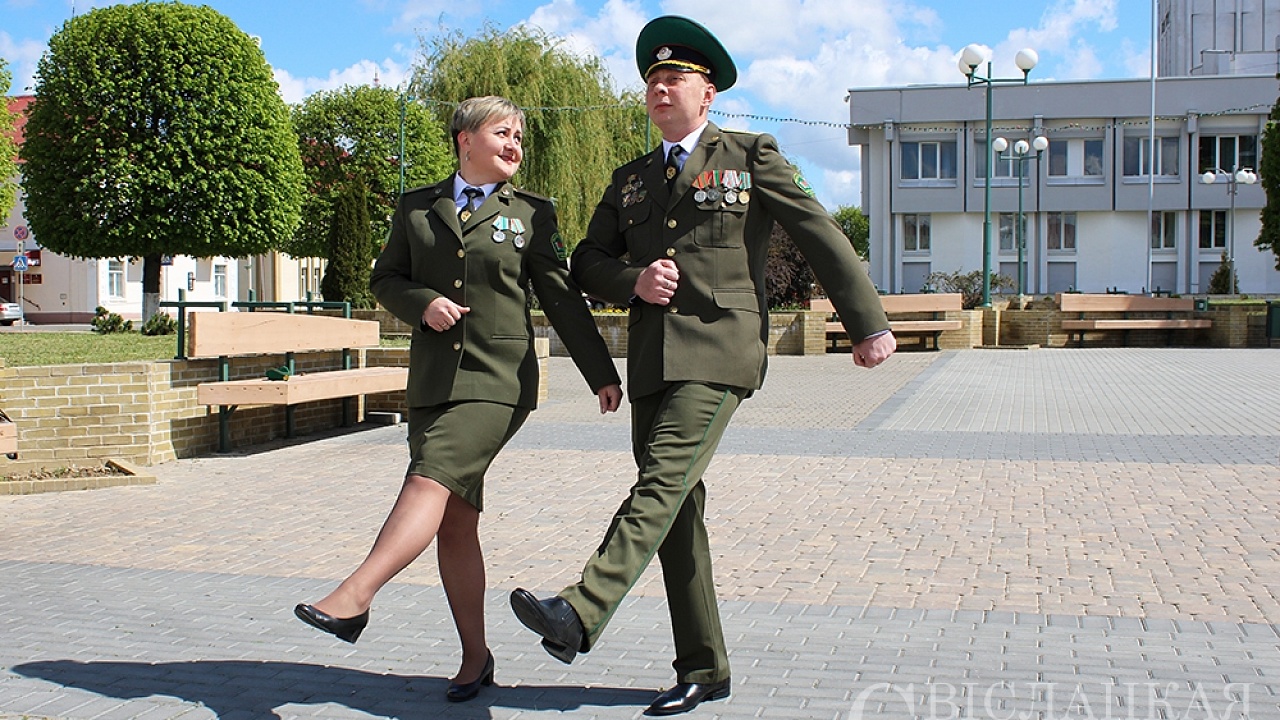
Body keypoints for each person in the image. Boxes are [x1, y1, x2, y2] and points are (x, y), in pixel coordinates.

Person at [508, 16, 897, 717]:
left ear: (707, 91)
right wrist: (632, 283)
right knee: (676, 511)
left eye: (675, 77)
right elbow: (586, 262)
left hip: (721, 349)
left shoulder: (750, 154)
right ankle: (705, 668)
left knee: (659, 485)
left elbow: (816, 230)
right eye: (653, 79)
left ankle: (581, 608)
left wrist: (866, 323)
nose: (661, 88)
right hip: (654, 359)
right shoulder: (630, 180)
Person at [295, 95, 623, 704]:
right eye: (503, 132)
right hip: (431, 386)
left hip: (498, 381)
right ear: (464, 139)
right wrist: (422, 303)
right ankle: (476, 658)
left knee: (428, 478)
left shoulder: (532, 214)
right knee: (454, 521)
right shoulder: (416, 206)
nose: (515, 145)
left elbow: (560, 298)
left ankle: (355, 596)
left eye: (520, 136)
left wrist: (599, 371)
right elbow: (385, 278)